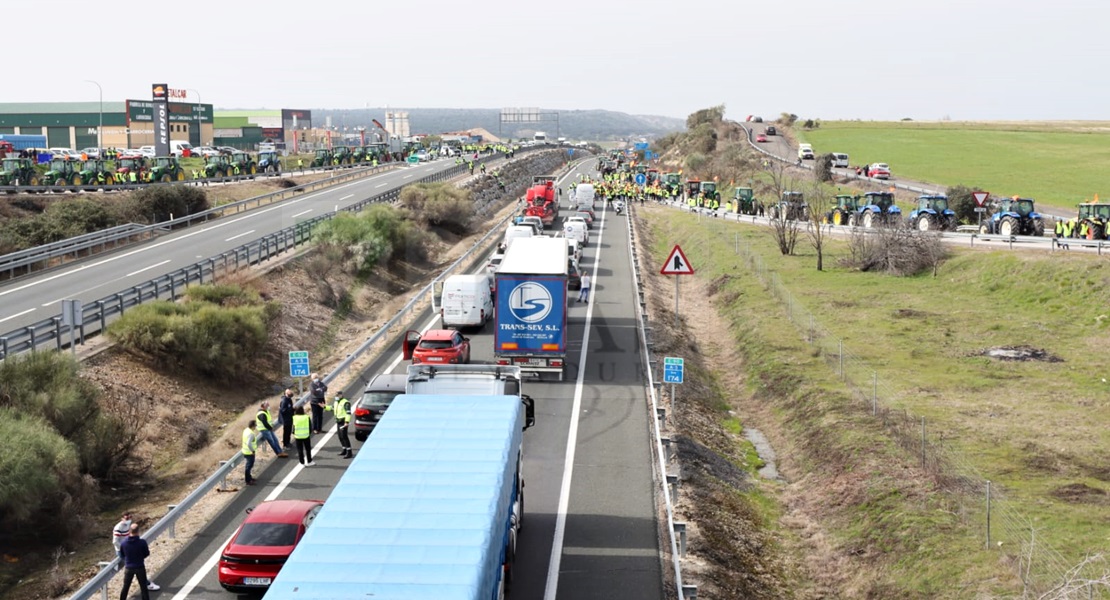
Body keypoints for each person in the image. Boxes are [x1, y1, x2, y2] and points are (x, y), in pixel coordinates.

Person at [119, 524, 160, 599]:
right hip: (140, 566)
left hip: (129, 567)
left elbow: (122, 554)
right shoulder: (142, 542)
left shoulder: (124, 543)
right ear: (138, 531)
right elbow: (146, 553)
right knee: (143, 586)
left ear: (129, 531)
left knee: (126, 586)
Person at [329, 394, 353, 458]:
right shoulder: (336, 402)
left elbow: (348, 413)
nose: (336, 396)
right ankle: (344, 449)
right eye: (335, 395)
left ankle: (349, 452)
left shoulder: (346, 403)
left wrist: (346, 422)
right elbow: (332, 408)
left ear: (341, 395)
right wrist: (324, 407)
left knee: (344, 436)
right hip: (338, 421)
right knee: (340, 436)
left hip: (343, 421)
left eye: (337, 395)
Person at [242, 420, 258, 486]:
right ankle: (248, 480)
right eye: (255, 425)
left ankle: (249, 477)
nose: (256, 427)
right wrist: (253, 451)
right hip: (249, 452)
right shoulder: (251, 433)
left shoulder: (246, 430)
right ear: (253, 426)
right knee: (249, 466)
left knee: (249, 466)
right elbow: (249, 443)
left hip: (245, 451)